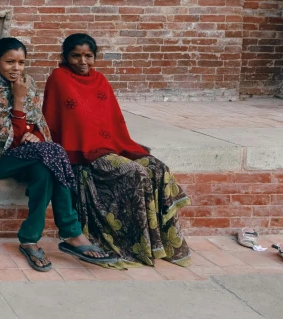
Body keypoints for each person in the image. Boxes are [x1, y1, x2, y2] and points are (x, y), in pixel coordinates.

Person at [42, 33, 191, 267]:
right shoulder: (59, 78)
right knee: (136, 173)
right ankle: (134, 244)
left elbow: (112, 119)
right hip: (81, 151)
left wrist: (119, 146)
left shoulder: (100, 80)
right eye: (76, 56)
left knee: (158, 168)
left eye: (88, 56)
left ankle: (163, 244)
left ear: (95, 57)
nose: (82, 62)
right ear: (65, 57)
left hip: (113, 145)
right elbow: (62, 120)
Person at [0, 37, 118, 272]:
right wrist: (18, 102)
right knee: (52, 153)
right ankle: (72, 233)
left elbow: (38, 122)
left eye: (21, 62)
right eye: (10, 62)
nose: (16, 68)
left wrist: (36, 136)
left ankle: (29, 239)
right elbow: (4, 140)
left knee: (45, 168)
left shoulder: (28, 82)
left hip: (32, 154)